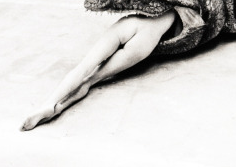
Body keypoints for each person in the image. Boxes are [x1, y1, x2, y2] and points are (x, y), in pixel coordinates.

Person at [21, 10, 176, 131]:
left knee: (83, 68)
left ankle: (48, 104)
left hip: (127, 24)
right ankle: (59, 108)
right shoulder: (185, 8)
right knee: (92, 80)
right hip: (147, 38)